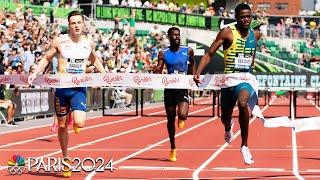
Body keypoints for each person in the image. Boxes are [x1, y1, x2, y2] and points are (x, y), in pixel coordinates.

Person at [28, 11, 106, 177]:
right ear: (69, 25)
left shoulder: (88, 42)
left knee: (80, 122)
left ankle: (75, 118)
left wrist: (105, 74)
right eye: (73, 23)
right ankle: (65, 159)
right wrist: (36, 72)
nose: (76, 26)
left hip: (79, 88)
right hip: (62, 89)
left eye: (79, 22)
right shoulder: (60, 41)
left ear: (83, 24)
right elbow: (47, 58)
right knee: (62, 126)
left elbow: (95, 59)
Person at [194, 4, 261, 165]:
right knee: (225, 116)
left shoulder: (256, 34)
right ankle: (228, 127)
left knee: (243, 103)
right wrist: (198, 72)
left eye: (248, 16)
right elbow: (210, 53)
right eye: (243, 17)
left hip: (245, 79)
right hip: (228, 81)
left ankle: (244, 145)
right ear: (236, 18)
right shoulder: (227, 33)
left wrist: (250, 65)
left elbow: (252, 52)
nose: (246, 19)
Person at [153, 27, 195, 162]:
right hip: (169, 89)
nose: (177, 37)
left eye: (178, 35)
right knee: (170, 120)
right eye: (174, 35)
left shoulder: (187, 50)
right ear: (169, 37)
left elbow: (192, 64)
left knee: (182, 115)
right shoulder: (163, 53)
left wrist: (192, 77)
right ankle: (173, 148)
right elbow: (159, 69)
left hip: (182, 87)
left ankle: (181, 118)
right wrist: (157, 70)